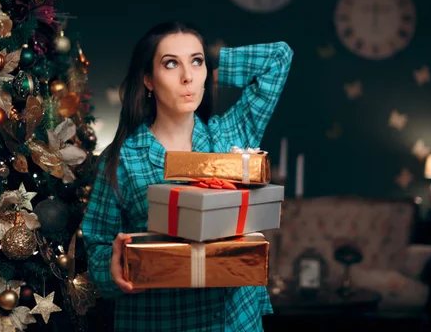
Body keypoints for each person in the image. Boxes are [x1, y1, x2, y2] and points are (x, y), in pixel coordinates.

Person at [82, 21, 293, 331]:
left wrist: (214, 61)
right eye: (171, 64)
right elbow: (96, 245)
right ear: (148, 80)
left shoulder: (230, 136)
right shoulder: (122, 160)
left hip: (233, 321)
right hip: (158, 320)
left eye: (196, 62)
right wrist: (111, 269)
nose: (187, 77)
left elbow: (279, 57)